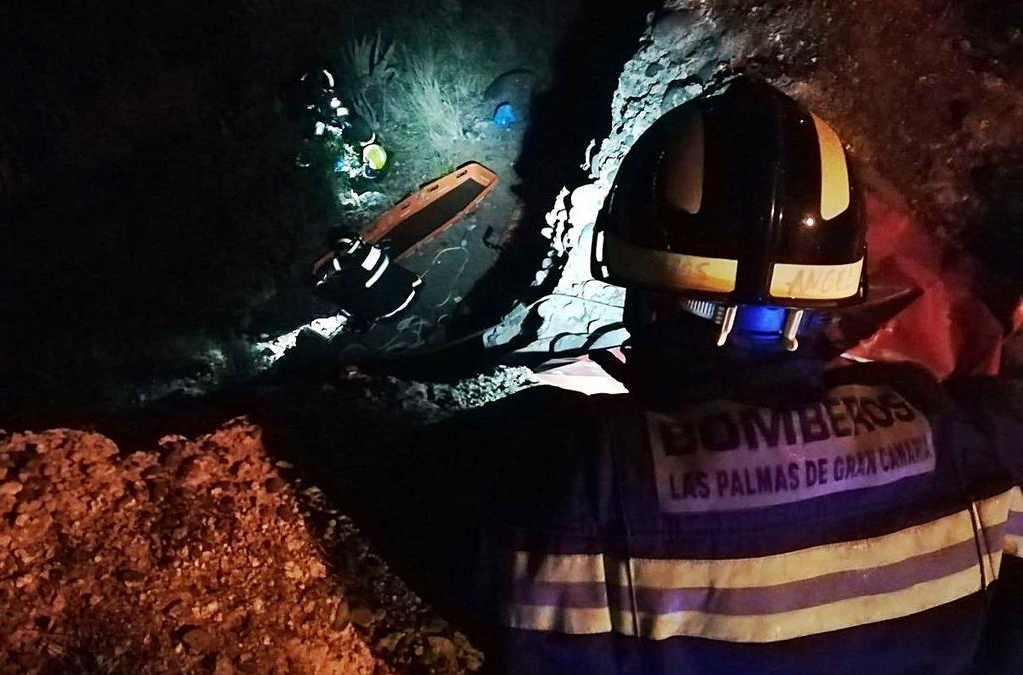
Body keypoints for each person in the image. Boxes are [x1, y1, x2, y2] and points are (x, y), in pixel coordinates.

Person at [402, 77, 1023, 674]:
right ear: (835, 291)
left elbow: (410, 474)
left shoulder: (574, 474)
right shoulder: (968, 436)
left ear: (643, 290)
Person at [315, 229, 421, 326]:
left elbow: (331, 291)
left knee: (348, 297)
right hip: (412, 290)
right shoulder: (374, 250)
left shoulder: (353, 272)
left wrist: (317, 283)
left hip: (390, 312)